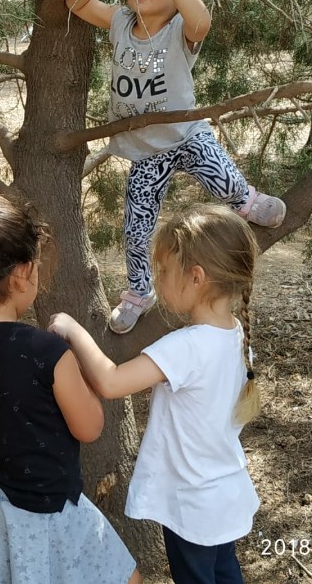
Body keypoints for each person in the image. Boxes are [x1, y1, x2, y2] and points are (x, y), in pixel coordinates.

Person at [51, 0, 286, 334]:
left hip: (185, 134)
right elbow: (85, 5)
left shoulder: (181, 27)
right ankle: (140, 291)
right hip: (146, 152)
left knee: (217, 169)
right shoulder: (122, 22)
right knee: (137, 224)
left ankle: (245, 200)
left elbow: (203, 20)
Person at [49, 204, 262, 584]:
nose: (157, 279)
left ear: (196, 278)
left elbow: (111, 382)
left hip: (191, 503)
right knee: (225, 573)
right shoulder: (235, 336)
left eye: (163, 271)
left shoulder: (186, 346)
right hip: (224, 493)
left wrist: (72, 329)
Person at [0, 197, 141, 584]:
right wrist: (78, 355)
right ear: (21, 274)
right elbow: (90, 427)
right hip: (49, 509)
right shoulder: (46, 352)